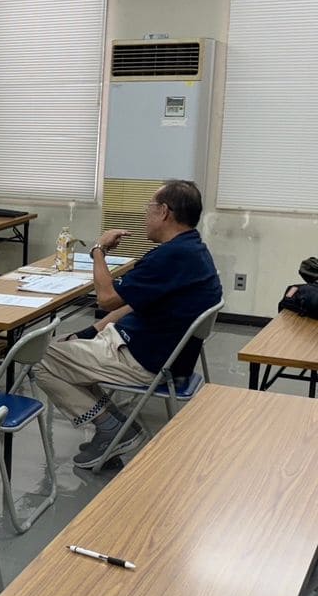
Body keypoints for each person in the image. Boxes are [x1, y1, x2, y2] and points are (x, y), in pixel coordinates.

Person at [34, 179, 222, 468]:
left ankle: (110, 427)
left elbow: (107, 299)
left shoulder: (170, 257)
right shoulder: (192, 249)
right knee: (63, 347)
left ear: (164, 212)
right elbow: (134, 304)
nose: (146, 214)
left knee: (39, 359)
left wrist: (98, 250)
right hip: (157, 348)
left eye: (149, 208)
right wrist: (90, 331)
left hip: (145, 361)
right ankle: (116, 425)